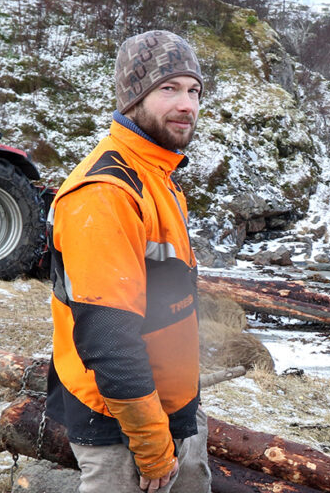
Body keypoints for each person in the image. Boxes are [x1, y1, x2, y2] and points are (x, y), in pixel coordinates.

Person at [46, 30, 211, 493]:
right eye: (169, 88)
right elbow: (109, 337)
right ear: (133, 97)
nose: (187, 105)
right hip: (122, 426)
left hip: (173, 408)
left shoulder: (158, 174)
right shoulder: (107, 191)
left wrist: (185, 413)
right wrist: (152, 445)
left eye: (194, 90)